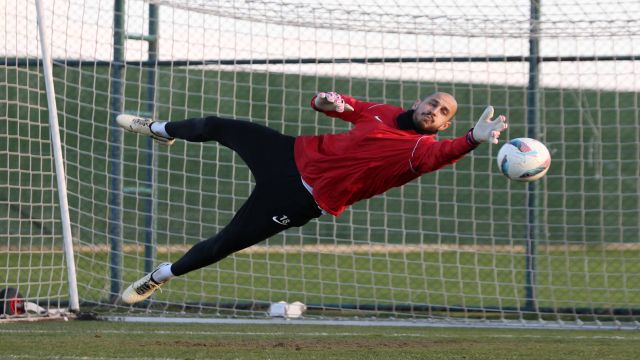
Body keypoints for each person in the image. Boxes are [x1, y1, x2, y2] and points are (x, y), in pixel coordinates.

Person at [116, 91, 507, 304]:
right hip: (289, 154)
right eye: (432, 104)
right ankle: (159, 128)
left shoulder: (422, 150)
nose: (434, 112)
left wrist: (472, 138)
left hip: (299, 199)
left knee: (224, 244)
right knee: (218, 125)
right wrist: (327, 102)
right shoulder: (382, 112)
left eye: (442, 113)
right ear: (418, 102)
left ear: (444, 125)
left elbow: (448, 151)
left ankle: (159, 276)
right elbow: (338, 106)